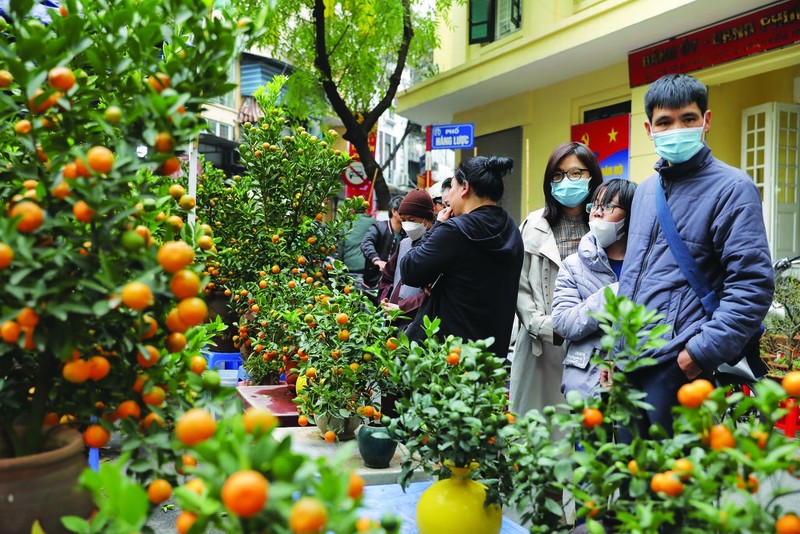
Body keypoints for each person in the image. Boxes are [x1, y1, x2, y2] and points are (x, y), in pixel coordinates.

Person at [617, 73, 773, 435]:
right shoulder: (645, 190)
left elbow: (752, 286)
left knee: (677, 484)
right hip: (630, 364)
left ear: (707, 121)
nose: (677, 129)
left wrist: (695, 356)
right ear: (648, 128)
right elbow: (633, 277)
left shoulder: (733, 189)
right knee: (630, 481)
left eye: (688, 119)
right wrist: (617, 347)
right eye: (664, 122)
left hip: (678, 367)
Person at [510, 142, 603, 417]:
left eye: (576, 173)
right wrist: (543, 325)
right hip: (542, 348)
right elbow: (520, 286)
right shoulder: (533, 224)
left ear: (592, 177)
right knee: (539, 435)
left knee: (586, 435)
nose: (567, 181)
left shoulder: (605, 223)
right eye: (558, 175)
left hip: (594, 345)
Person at [399, 156, 523, 360]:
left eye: (453, 187)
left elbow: (409, 270)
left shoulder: (454, 230)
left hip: (449, 358)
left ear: (465, 188)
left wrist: (437, 226)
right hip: (488, 357)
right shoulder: (511, 229)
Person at [552, 179, 637, 400]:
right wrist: (614, 294)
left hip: (638, 383)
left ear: (632, 214)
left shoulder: (649, 265)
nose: (597, 214)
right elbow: (563, 323)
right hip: (586, 385)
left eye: (608, 206)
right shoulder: (573, 265)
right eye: (594, 206)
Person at [378, 189, 436, 326]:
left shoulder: (435, 246)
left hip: (418, 322)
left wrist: (403, 308)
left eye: (412, 220)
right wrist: (385, 298)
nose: (407, 224)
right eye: (403, 220)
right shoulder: (404, 243)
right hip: (393, 321)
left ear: (426, 219)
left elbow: (435, 292)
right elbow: (387, 276)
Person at [360, 194, 404, 288]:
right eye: (403, 211)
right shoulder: (379, 227)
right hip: (373, 283)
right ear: (394, 211)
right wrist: (377, 260)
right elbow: (366, 243)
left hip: (393, 284)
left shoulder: (405, 233)